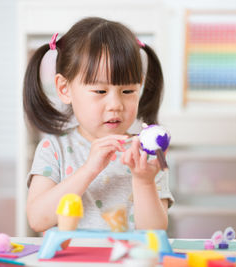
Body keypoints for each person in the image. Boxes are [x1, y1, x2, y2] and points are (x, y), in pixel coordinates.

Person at [23, 17, 174, 233]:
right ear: (65, 89)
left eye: (128, 91)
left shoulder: (147, 154)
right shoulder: (54, 149)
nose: (115, 105)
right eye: (100, 91)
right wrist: (89, 170)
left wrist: (144, 182)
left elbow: (155, 232)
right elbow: (38, 220)